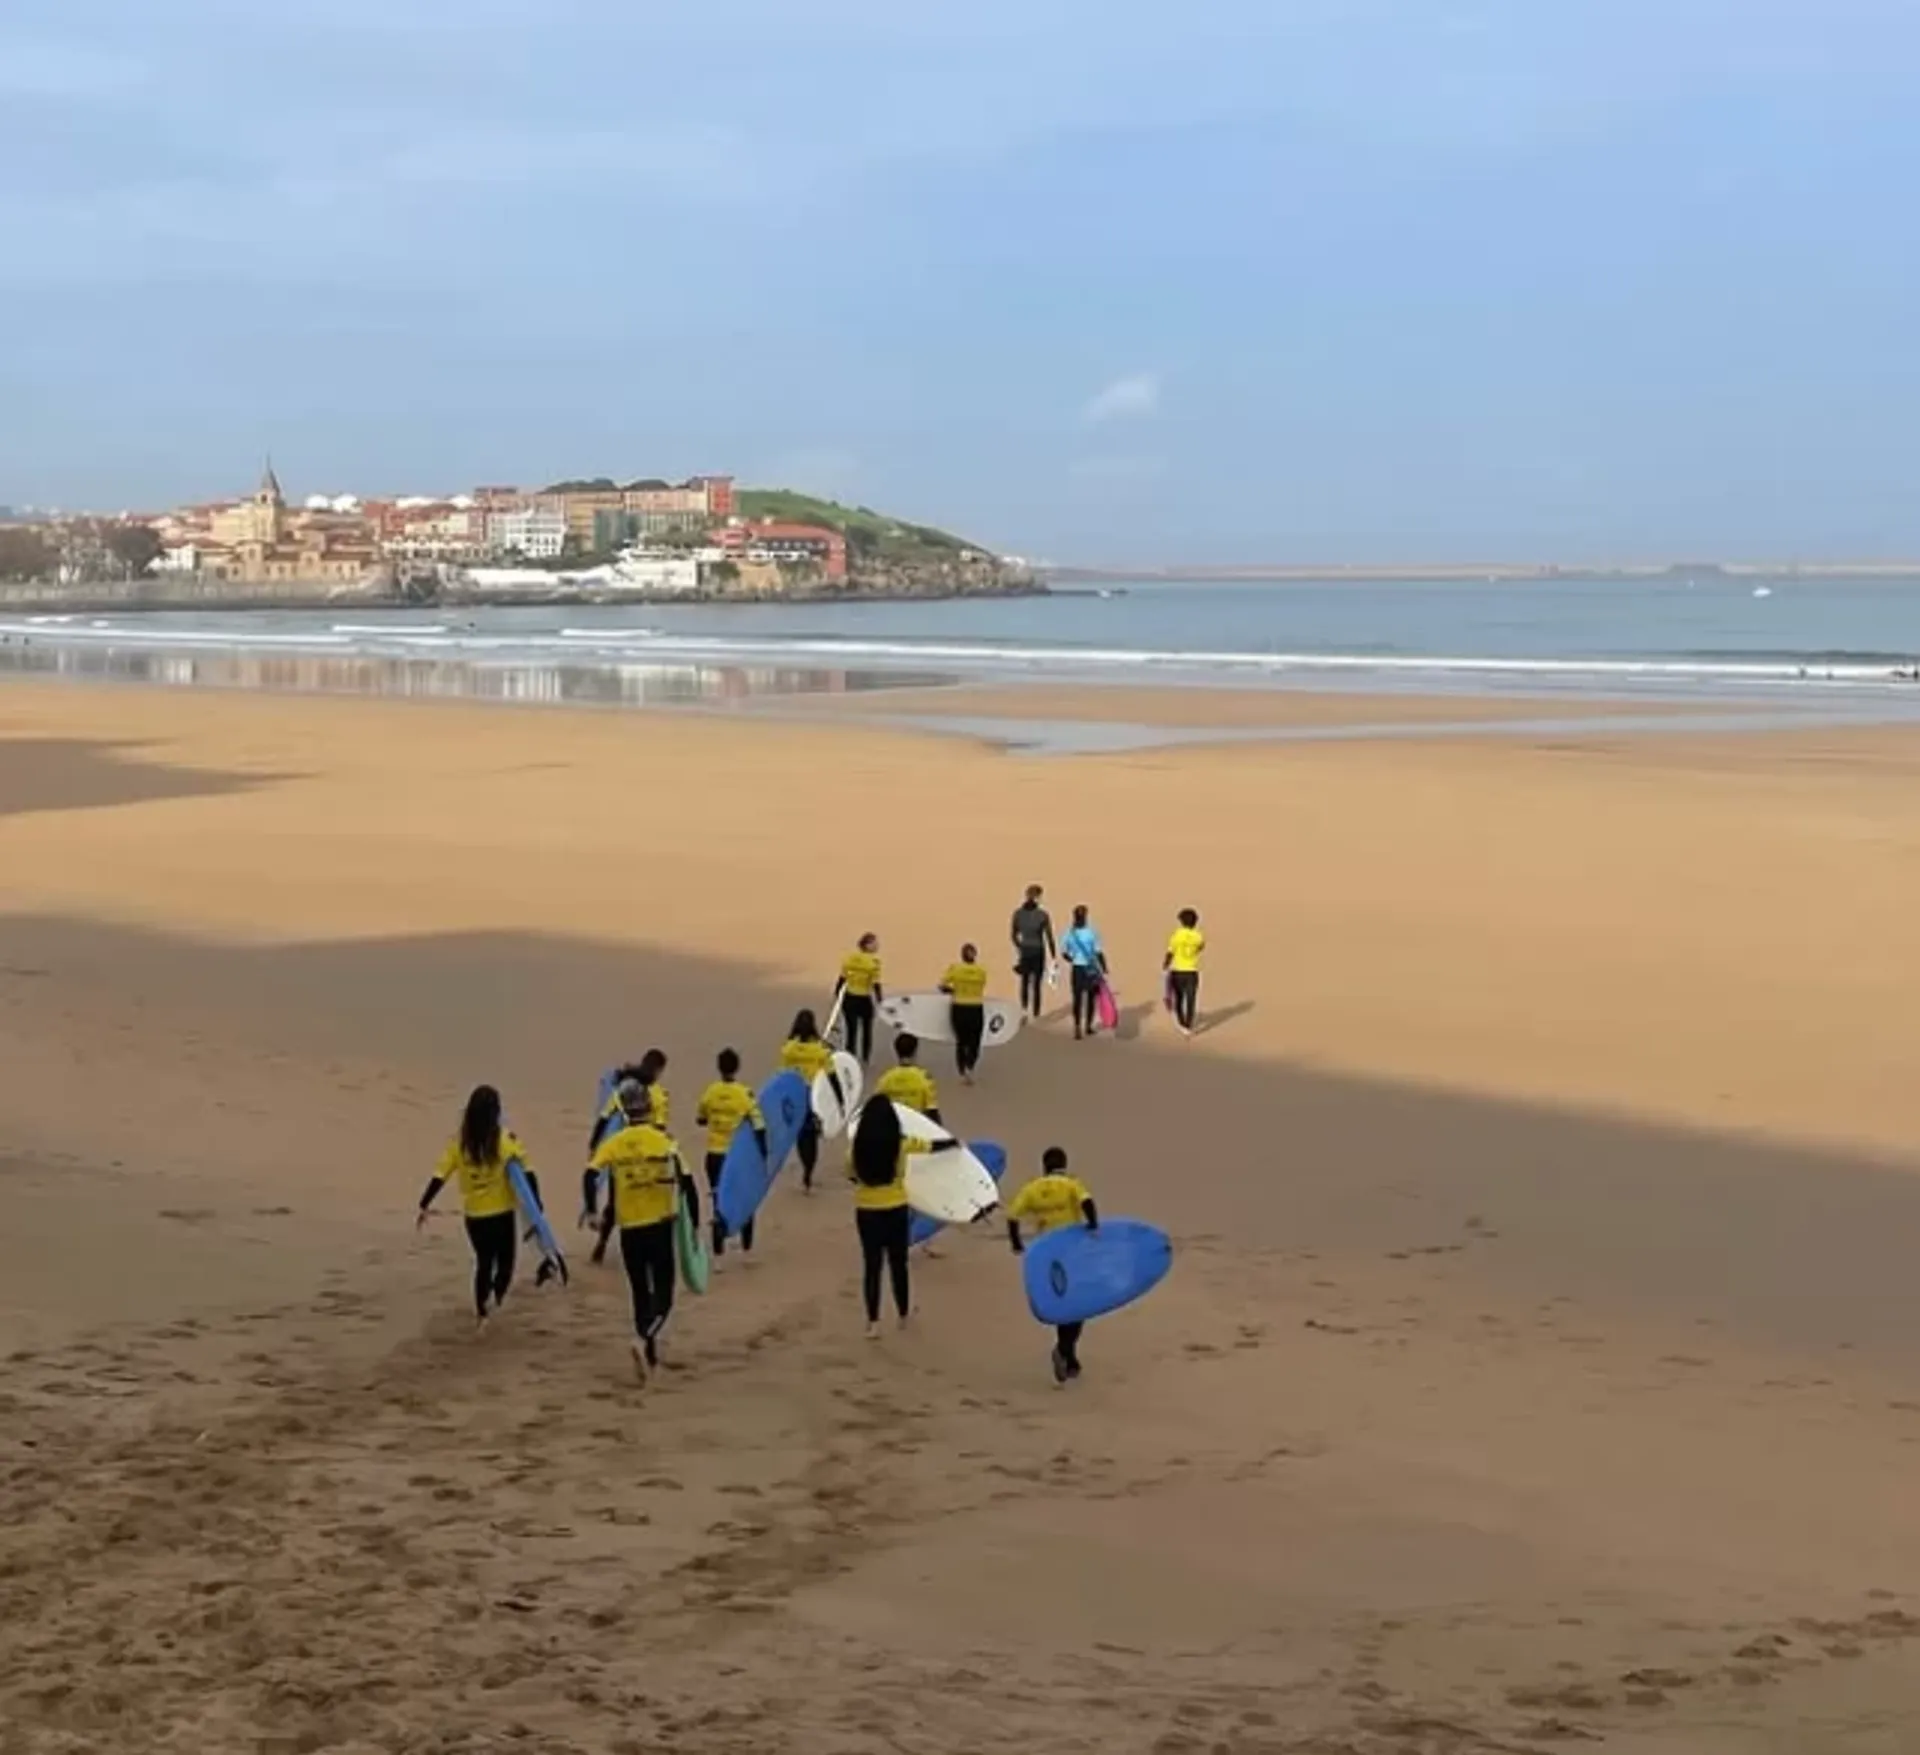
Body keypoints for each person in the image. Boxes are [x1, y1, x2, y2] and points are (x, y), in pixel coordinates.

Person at [588, 1079, 698, 1383]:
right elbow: (688, 1184)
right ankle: (644, 1338)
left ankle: (648, 1351)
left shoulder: (615, 1144)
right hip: (660, 1226)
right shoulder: (665, 1142)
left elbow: (590, 1173)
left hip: (630, 1231)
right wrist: (695, 1227)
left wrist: (592, 1209)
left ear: (623, 1110)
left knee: (640, 1291)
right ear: (649, 1107)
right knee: (664, 1295)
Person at [418, 1085, 533, 1333]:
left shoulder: (460, 1144)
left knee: (483, 1262)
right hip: (501, 1215)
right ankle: (495, 1300)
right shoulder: (505, 1141)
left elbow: (440, 1175)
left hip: (475, 1217)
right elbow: (527, 1172)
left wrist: (424, 1203)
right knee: (505, 1263)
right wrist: (536, 1208)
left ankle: (482, 1315)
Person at [846, 1092, 941, 1337]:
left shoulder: (855, 1147)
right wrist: (953, 1144)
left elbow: (851, 1175)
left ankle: (873, 1323)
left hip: (866, 1210)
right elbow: (929, 1146)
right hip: (896, 1208)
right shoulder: (901, 1143)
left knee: (872, 1266)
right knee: (899, 1264)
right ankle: (903, 1314)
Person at [1006, 1147, 1100, 1383]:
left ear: (1044, 1166)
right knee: (1078, 1306)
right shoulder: (1071, 1184)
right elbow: (1087, 1203)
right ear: (1064, 1165)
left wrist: (1017, 1243)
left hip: (1047, 1254)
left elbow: (1012, 1215)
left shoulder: (1032, 1189)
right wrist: (1093, 1227)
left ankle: (1068, 1354)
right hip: (1072, 1252)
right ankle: (1065, 1350)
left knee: (1061, 1303)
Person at [581, 1048, 670, 1221]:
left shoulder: (624, 1087)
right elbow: (660, 1127)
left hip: (621, 1148)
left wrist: (593, 1146)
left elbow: (604, 1118)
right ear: (659, 1070)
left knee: (617, 1195)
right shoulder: (658, 1093)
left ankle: (603, 1239)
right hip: (649, 1148)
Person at [695, 1048, 767, 1255]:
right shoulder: (744, 1094)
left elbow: (700, 1119)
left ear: (718, 1068)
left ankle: (718, 1254)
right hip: (738, 1157)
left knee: (719, 1202)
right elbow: (759, 1126)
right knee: (746, 1199)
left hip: (715, 1156)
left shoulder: (711, 1092)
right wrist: (763, 1155)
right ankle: (746, 1249)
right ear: (737, 1067)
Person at [780, 1009, 835, 1191]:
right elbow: (831, 1073)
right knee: (812, 1136)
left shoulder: (788, 1049)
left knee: (801, 1134)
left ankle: (805, 1164)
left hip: (795, 1094)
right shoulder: (819, 1050)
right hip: (814, 1095)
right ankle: (809, 1170)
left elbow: (783, 1073)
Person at [939, 943, 990, 1084]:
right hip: (975, 1007)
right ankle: (970, 1065)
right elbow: (983, 985)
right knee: (975, 1040)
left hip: (959, 1006)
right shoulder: (981, 971)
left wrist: (953, 991)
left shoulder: (955, 969)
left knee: (961, 1041)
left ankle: (961, 1070)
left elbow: (942, 986)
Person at [1059, 904, 1108, 1040]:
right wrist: (1104, 967)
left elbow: (1063, 951)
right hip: (1090, 968)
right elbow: (1098, 952)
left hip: (1077, 969)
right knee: (1091, 998)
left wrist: (1072, 958)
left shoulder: (1069, 933)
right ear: (1085, 917)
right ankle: (1088, 1026)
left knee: (1077, 999)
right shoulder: (1092, 932)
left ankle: (1077, 1027)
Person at [834, 933, 883, 1065]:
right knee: (867, 1029)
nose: (877, 946)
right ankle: (865, 1058)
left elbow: (842, 979)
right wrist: (880, 1000)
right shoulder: (873, 962)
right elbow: (875, 984)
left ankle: (850, 1058)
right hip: (863, 998)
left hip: (849, 997)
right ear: (867, 945)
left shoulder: (850, 959)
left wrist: (837, 995)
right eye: (874, 943)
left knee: (851, 1030)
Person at [1009, 884, 1055, 1020]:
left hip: (1025, 951)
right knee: (1036, 985)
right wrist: (1053, 955)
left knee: (1024, 981)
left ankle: (1024, 1010)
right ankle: (1036, 1012)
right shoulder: (1042, 915)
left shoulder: (1018, 914)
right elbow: (1049, 936)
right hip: (1038, 951)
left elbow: (1013, 935)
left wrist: (1020, 947)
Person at [874, 1031, 941, 1123]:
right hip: (916, 1129)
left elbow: (876, 1108)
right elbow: (932, 1110)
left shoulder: (886, 1078)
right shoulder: (924, 1078)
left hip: (894, 1129)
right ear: (915, 1051)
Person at [1163, 908, 1206, 1037]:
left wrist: (1166, 964)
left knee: (1179, 999)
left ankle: (1182, 1023)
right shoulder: (1198, 936)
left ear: (1181, 921)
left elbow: (1170, 952)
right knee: (1191, 999)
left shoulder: (1177, 935)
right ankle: (1188, 1024)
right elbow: (1200, 948)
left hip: (1177, 971)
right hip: (1192, 972)